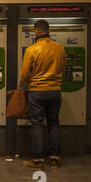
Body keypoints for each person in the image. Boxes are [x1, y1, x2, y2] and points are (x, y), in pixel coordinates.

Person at [18, 19, 66, 169]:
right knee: (54, 124)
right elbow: (63, 68)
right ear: (49, 31)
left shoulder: (32, 50)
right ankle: (54, 159)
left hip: (37, 91)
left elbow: (25, 73)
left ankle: (38, 161)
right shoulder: (60, 49)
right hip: (55, 91)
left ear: (36, 32)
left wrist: (21, 84)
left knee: (37, 125)